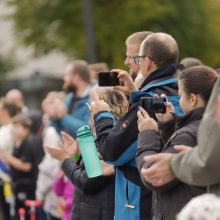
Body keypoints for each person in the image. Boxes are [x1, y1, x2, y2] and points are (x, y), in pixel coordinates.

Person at [90, 32, 183, 220]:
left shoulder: (149, 103)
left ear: (148, 61)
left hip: (140, 199)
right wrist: (136, 93)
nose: (132, 63)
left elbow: (111, 152)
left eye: (137, 59)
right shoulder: (181, 90)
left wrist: (102, 114)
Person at [136, 65, 217, 220]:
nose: (179, 101)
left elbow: (152, 175)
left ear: (192, 99)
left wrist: (148, 133)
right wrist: (168, 127)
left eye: (180, 95)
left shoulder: (187, 134)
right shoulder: (207, 127)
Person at [46, 88, 129, 220]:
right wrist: (75, 157)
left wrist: (64, 159)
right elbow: (88, 172)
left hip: (99, 213)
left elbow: (87, 182)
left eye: (92, 107)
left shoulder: (107, 139)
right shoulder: (107, 136)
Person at [43, 60, 92, 138]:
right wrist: (54, 116)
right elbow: (63, 133)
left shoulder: (94, 98)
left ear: (77, 77)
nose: (64, 78)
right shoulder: (69, 99)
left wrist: (63, 116)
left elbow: (88, 130)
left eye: (66, 75)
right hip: (72, 149)